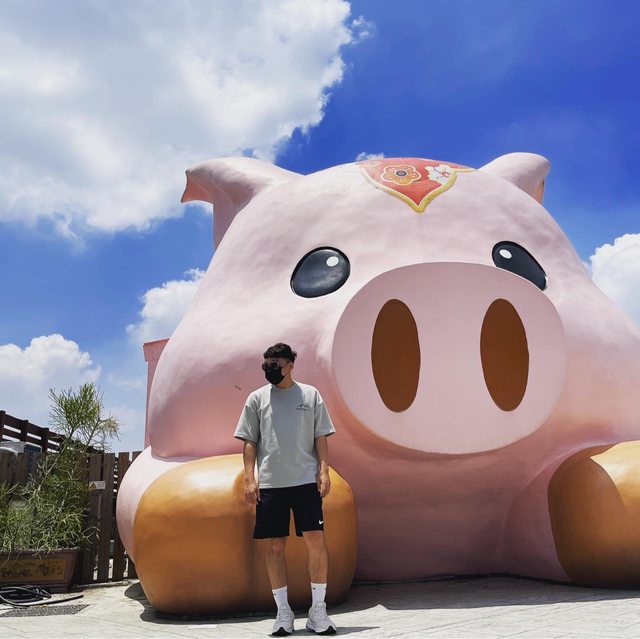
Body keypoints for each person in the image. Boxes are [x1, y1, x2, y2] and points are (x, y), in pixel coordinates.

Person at [234, 343, 337, 636]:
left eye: (276, 364)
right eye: (266, 364)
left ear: (290, 365)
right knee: (275, 546)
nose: (270, 368)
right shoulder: (256, 399)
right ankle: (283, 613)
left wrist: (324, 470)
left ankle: (318, 611)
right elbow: (249, 441)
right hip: (271, 484)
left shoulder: (310, 395)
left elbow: (321, 436)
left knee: (316, 541)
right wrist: (249, 478)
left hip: (306, 481)